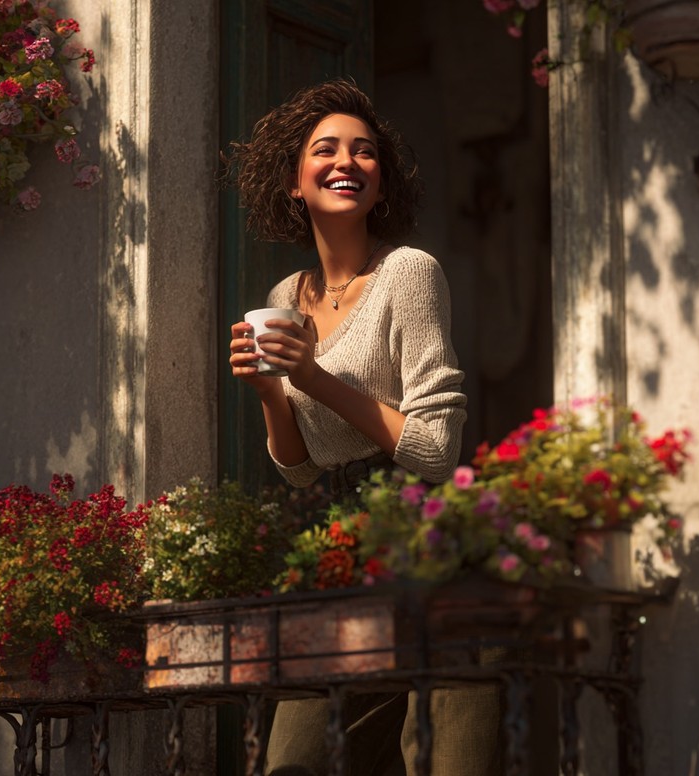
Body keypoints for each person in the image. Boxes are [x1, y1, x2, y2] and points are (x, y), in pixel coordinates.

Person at [226, 79, 501, 776]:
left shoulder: (409, 273)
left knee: (447, 763)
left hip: (431, 548)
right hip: (339, 546)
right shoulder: (286, 299)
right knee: (293, 760)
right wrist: (268, 392)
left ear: (382, 182)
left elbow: (435, 451)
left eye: (366, 151)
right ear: (293, 180)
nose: (348, 160)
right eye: (326, 149)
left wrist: (314, 378)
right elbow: (299, 468)